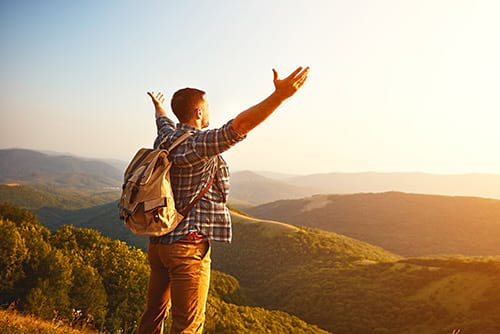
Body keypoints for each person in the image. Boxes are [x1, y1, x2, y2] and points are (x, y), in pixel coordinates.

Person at [137, 66, 309, 334]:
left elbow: (162, 120)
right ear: (198, 113)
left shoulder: (166, 137)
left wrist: (159, 106)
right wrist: (279, 97)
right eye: (207, 108)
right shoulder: (199, 144)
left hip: (159, 245)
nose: (209, 112)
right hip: (187, 248)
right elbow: (238, 127)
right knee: (187, 325)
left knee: (152, 317)